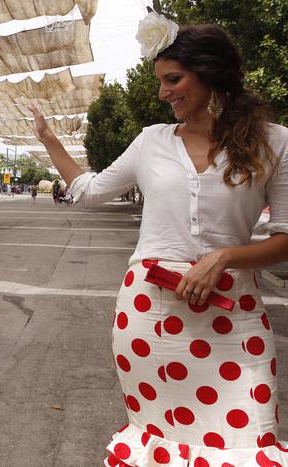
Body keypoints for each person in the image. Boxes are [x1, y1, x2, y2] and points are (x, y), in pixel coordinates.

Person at [30, 13, 288, 465]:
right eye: (161, 81)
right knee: (159, 442)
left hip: (235, 317)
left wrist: (225, 257)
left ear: (210, 75)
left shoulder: (276, 142)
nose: (163, 93)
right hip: (151, 316)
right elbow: (90, 192)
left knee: (250, 439)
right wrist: (51, 141)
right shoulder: (152, 141)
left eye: (174, 79)